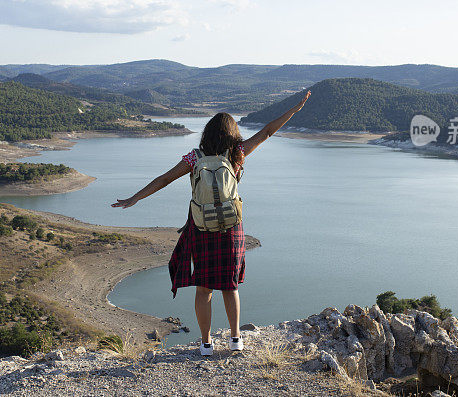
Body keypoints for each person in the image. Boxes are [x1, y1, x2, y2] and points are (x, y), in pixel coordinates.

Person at [111, 89, 311, 355]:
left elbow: (163, 179)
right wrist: (294, 110)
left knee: (204, 288)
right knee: (230, 286)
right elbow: (267, 132)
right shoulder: (237, 153)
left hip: (201, 227)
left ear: (207, 132)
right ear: (232, 132)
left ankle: (205, 344)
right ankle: (236, 339)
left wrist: (134, 198)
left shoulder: (194, 158)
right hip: (231, 226)